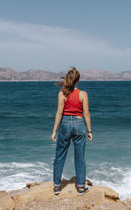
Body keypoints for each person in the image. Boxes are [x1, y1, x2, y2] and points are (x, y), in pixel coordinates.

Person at [51, 67, 93, 196]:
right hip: (79, 124)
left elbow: (59, 113)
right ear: (78, 80)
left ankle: (57, 187)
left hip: (65, 125)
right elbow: (86, 113)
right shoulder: (83, 94)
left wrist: (54, 131)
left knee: (60, 155)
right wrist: (90, 131)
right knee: (80, 157)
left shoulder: (62, 93)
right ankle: (81, 187)